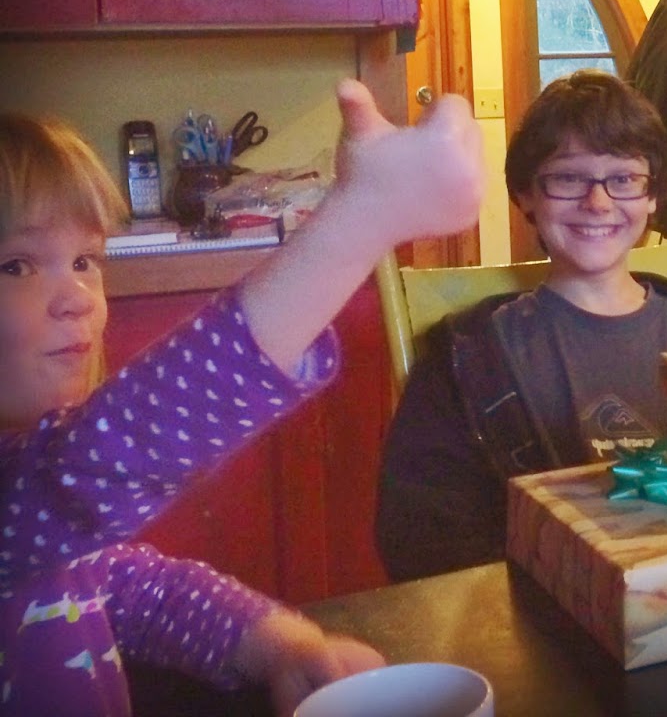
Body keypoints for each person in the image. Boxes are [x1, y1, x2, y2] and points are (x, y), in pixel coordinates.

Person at [0, 81, 484, 715]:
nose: (77, 299)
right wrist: (363, 217)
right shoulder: (24, 495)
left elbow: (141, 593)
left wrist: (281, 647)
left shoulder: (54, 538)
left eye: (85, 261)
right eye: (16, 266)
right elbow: (100, 459)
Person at [375, 71, 667, 583]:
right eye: (568, 178)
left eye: (624, 179)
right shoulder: (466, 357)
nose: (598, 203)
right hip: (545, 606)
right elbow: (421, 541)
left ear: (652, 195)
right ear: (526, 194)